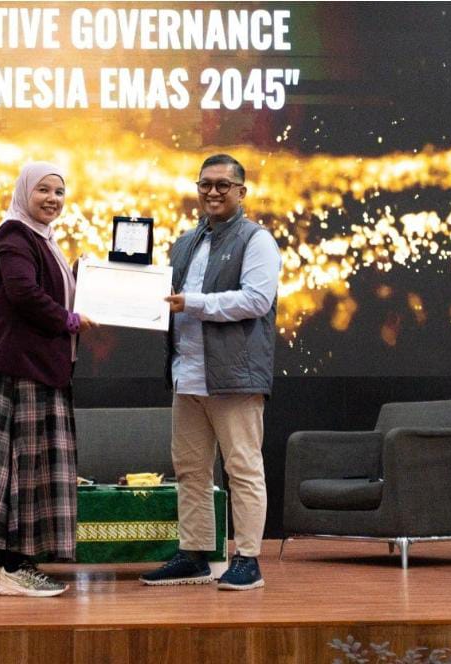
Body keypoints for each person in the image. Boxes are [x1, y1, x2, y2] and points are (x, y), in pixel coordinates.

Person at [140, 154, 280, 590]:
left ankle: (248, 559)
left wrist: (193, 304)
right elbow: (164, 296)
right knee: (190, 470)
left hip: (234, 378)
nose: (213, 192)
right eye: (205, 184)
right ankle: (194, 554)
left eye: (223, 184)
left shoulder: (257, 240)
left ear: (242, 191)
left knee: (243, 469)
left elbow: (256, 300)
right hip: (187, 375)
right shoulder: (185, 242)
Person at [0, 162, 96, 597]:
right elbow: (23, 292)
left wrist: (88, 277)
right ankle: (11, 566)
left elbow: (44, 287)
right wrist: (68, 320)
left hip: (40, 369)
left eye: (59, 192)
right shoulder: (15, 235)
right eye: (43, 189)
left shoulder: (41, 239)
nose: (52, 199)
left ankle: (12, 565)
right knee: (21, 469)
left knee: (30, 469)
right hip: (22, 372)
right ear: (24, 192)